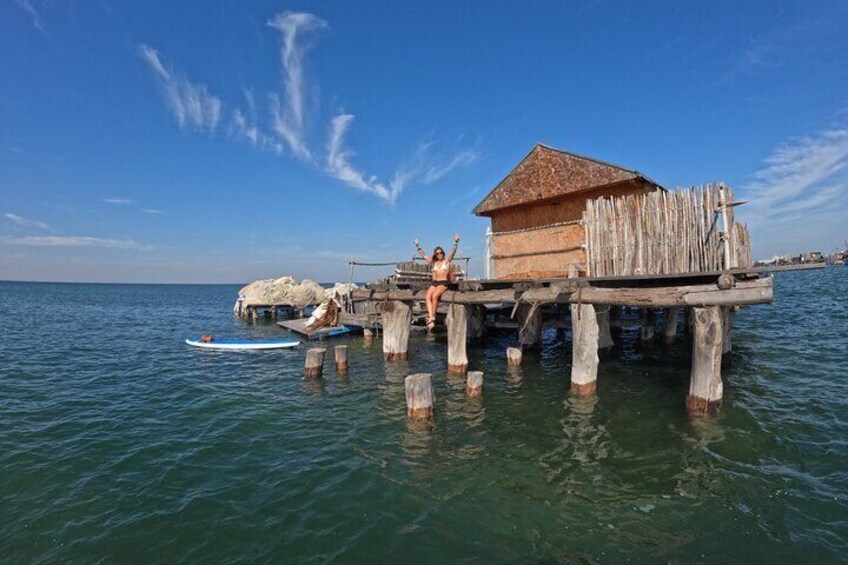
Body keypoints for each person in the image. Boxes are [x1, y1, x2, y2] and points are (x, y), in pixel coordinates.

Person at [413, 234, 460, 331]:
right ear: (435, 254)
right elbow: (424, 255)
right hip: (434, 283)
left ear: (443, 253)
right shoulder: (433, 262)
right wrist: (418, 246)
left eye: (441, 253)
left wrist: (455, 242)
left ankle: (432, 318)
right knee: (427, 297)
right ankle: (431, 317)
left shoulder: (446, 261)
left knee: (434, 296)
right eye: (437, 253)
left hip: (443, 283)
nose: (439, 255)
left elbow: (452, 252)